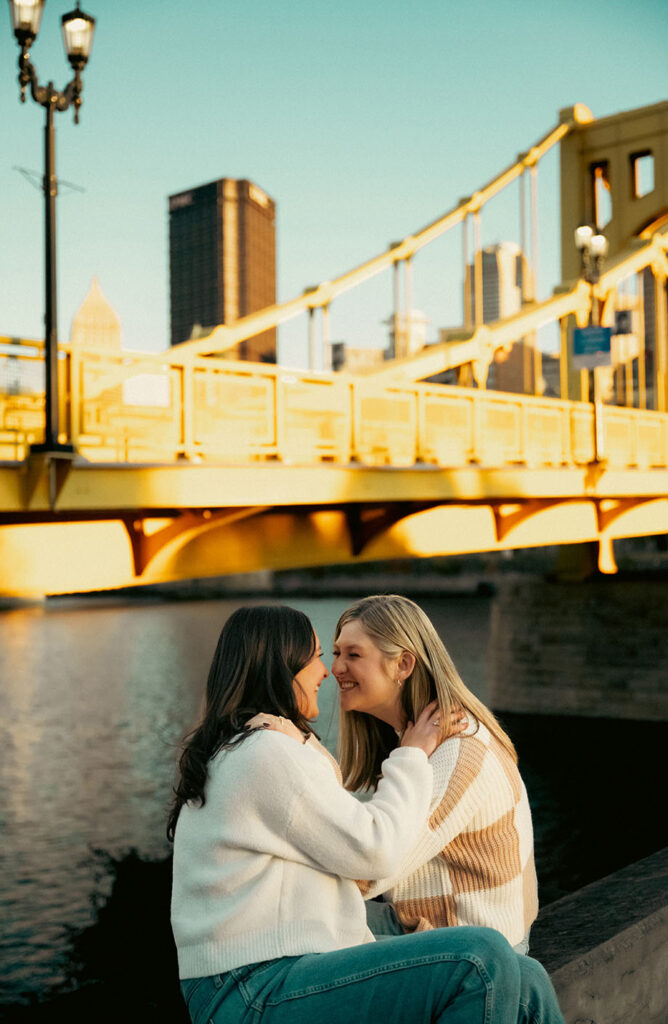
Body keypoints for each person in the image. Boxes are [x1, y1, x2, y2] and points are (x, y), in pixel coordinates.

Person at [168, 604, 564, 1024]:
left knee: (527, 977)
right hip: (252, 988)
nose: (327, 671)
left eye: (346, 655)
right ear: (281, 667)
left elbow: (350, 849)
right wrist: (411, 754)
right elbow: (374, 854)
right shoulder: (264, 750)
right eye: (319, 656)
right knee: (480, 960)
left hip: (263, 976)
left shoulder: (256, 745)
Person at [333, 594, 538, 953]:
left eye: (353, 655)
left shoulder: (457, 751)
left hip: (475, 950)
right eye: (336, 654)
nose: (336, 668)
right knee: (290, 921)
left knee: (293, 933)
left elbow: (367, 874)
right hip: (431, 922)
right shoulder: (423, 736)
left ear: (403, 664)